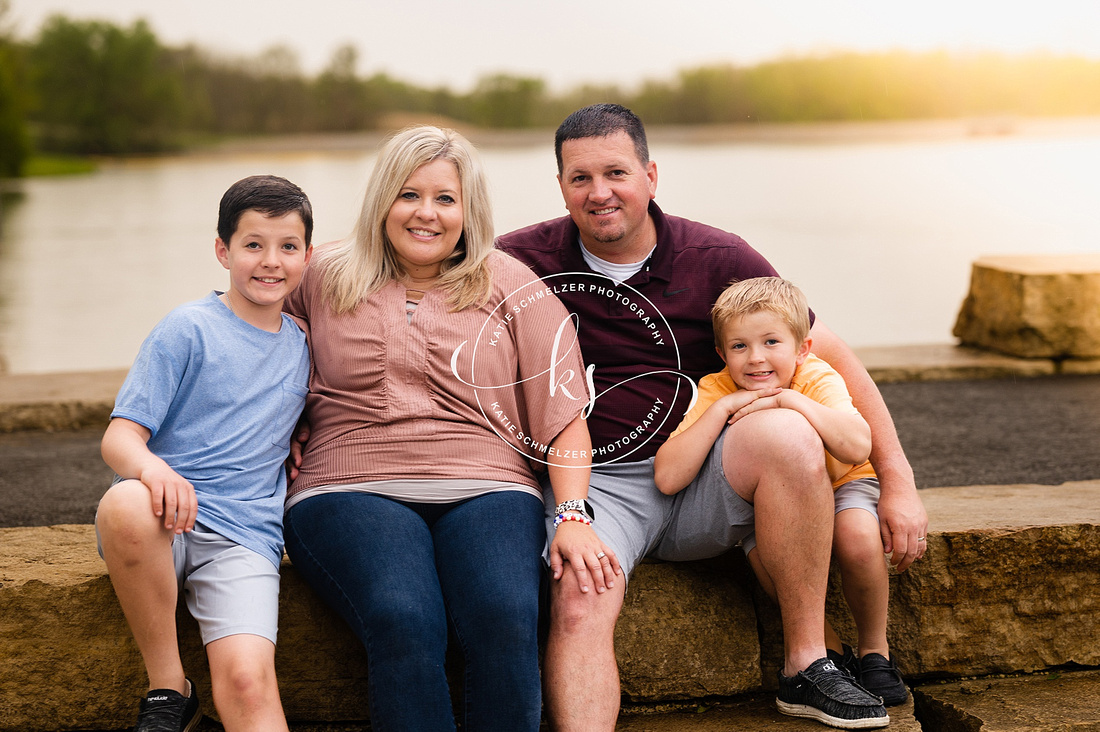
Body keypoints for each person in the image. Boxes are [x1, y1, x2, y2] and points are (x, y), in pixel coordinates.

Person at [496, 103, 928, 730]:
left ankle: (806, 665)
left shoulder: (719, 256)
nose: (600, 193)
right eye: (579, 178)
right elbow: (408, 274)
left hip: (710, 474)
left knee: (785, 428)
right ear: (560, 185)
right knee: (578, 600)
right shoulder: (520, 260)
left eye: (616, 173)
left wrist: (899, 483)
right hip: (596, 486)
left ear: (650, 174)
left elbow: (832, 357)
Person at [282, 125, 611, 731]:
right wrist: (283, 430)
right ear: (383, 200)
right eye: (408, 195)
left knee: (506, 615)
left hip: (488, 484)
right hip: (348, 483)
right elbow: (245, 350)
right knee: (403, 617)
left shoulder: (512, 284)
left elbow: (563, 419)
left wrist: (571, 517)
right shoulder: (319, 276)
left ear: (469, 210)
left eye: (445, 199)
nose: (425, 214)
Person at [96, 175, 314, 732]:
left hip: (243, 536)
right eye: (253, 245)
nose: (271, 262)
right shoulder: (187, 328)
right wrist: (152, 468)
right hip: (163, 522)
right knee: (122, 506)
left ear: (308, 256)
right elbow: (119, 436)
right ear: (223, 251)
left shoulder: (304, 346)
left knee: (246, 680)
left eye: (289, 247)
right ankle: (169, 689)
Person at [654, 277, 909, 713]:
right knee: (771, 561)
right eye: (739, 347)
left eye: (772, 341)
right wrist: (720, 410)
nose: (756, 359)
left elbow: (855, 447)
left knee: (858, 541)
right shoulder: (716, 388)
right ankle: (829, 655)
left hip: (843, 480)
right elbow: (668, 477)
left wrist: (791, 403)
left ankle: (874, 652)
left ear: (803, 348)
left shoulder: (816, 376)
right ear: (722, 353)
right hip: (776, 499)